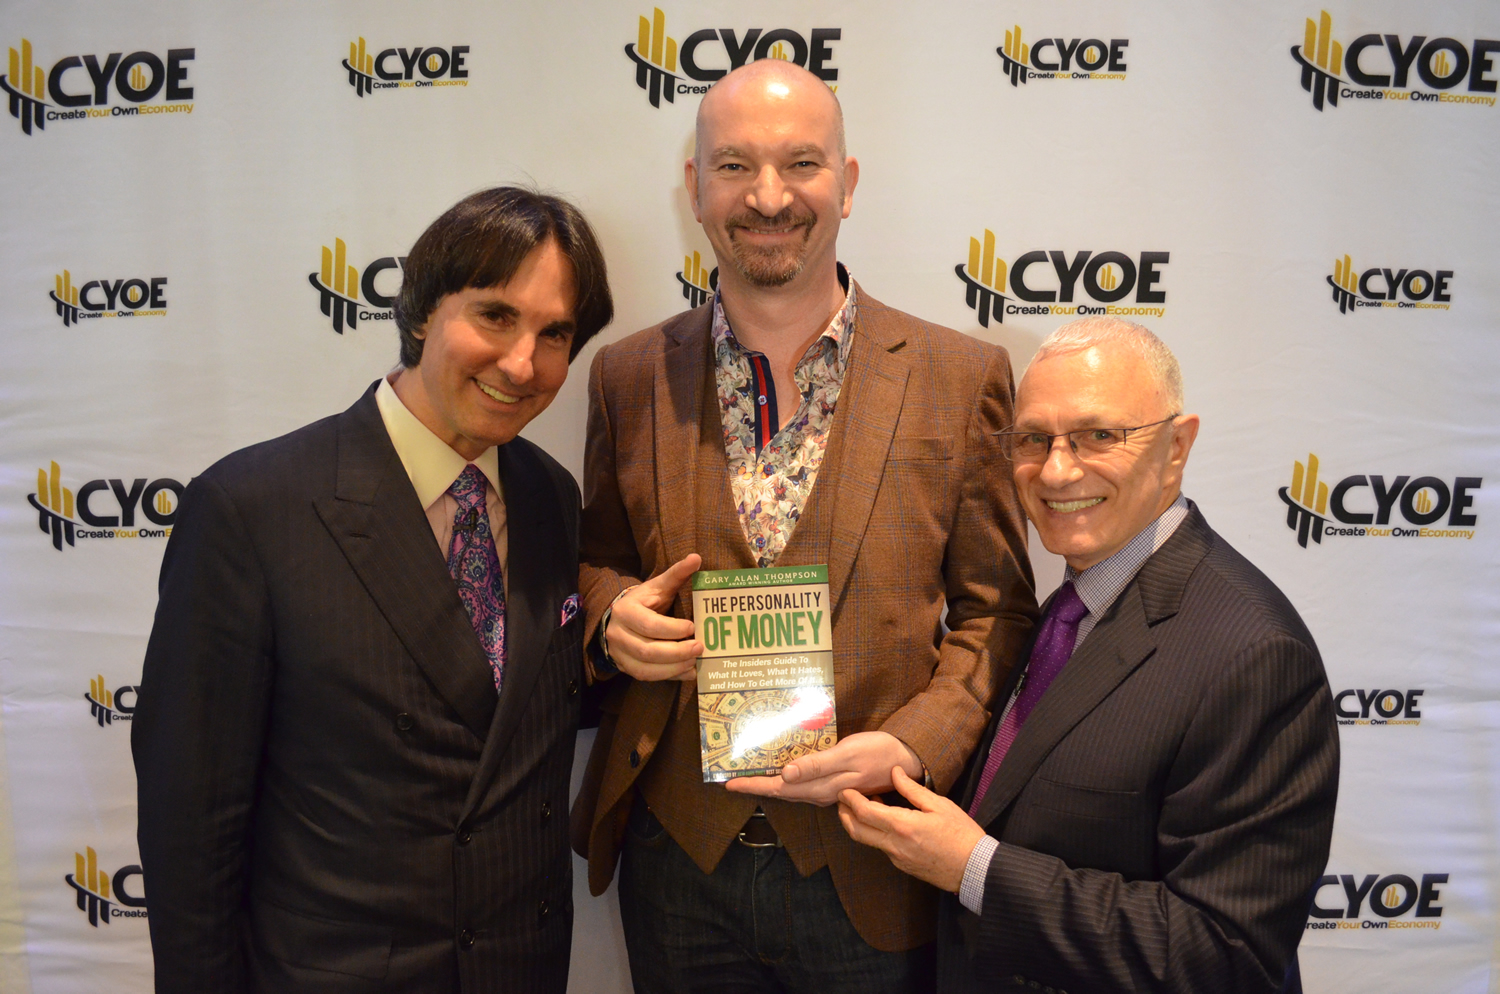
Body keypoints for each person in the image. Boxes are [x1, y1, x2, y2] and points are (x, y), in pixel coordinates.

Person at [568, 59, 1037, 993]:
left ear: (847, 184)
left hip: (874, 862)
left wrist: (914, 744)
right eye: (735, 166)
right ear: (695, 188)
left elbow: (999, 614)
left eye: (801, 164)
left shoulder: (960, 377)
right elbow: (597, 563)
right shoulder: (626, 376)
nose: (769, 196)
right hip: (677, 864)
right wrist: (611, 616)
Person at [131, 186, 612, 993]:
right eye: (495, 316)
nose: (522, 363)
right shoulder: (253, 509)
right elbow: (191, 828)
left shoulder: (550, 496)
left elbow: (511, 715)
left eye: (554, 334)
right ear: (422, 312)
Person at [838, 317, 1340, 994]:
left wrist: (975, 868)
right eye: (1032, 439)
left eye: (1099, 435)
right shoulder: (1071, 608)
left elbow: (1224, 953)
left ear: (1176, 447)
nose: (1056, 470)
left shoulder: (1256, 656)